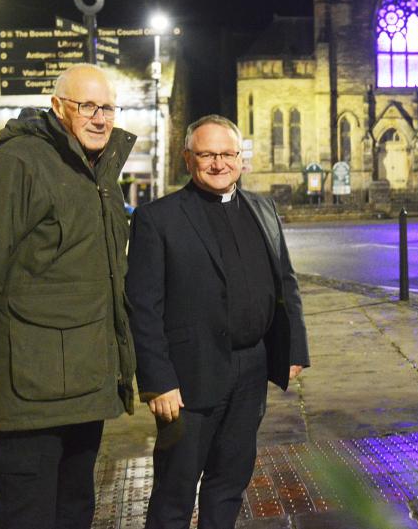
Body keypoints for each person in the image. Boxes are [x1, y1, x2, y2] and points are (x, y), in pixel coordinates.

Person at [0, 64, 137, 529]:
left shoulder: (98, 172)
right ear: (57, 107)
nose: (99, 118)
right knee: (25, 517)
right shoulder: (16, 164)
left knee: (74, 513)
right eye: (86, 106)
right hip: (29, 392)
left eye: (107, 107)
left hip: (86, 388)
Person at [126, 114, 310, 529]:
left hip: (251, 370)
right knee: (175, 491)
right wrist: (157, 379)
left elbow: (286, 282)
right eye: (207, 154)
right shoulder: (158, 218)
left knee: (230, 482)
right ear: (188, 159)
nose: (218, 163)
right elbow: (143, 306)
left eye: (228, 154)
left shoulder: (263, 208)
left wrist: (294, 347)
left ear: (242, 159)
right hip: (188, 379)